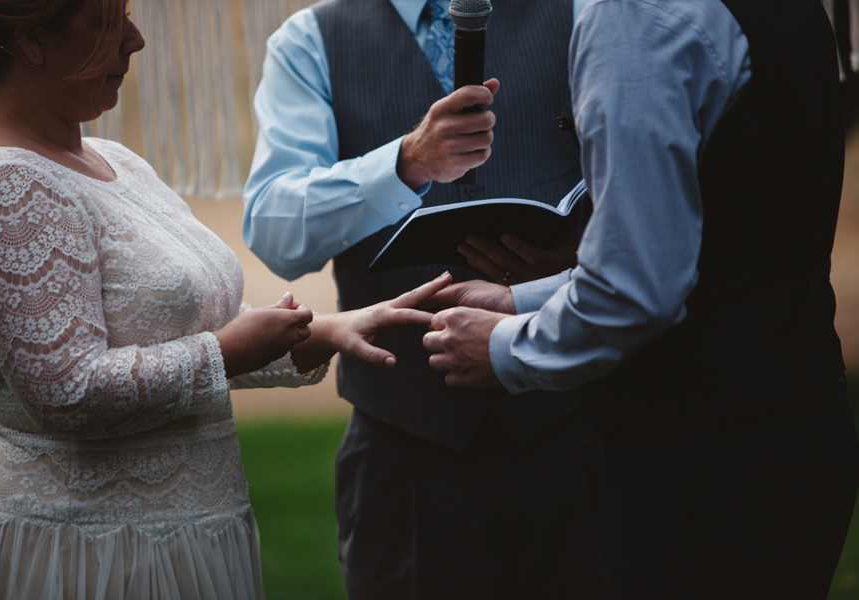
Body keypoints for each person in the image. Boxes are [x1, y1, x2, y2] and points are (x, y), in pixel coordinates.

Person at [0, 1, 446, 598]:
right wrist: (224, 353)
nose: (135, 41)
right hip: (86, 549)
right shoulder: (4, 184)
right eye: (109, 22)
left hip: (178, 536)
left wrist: (330, 329)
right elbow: (67, 391)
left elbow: (188, 329)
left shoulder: (115, 161)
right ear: (33, 39)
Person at [423, 0, 859, 596]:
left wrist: (501, 347)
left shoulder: (633, 16)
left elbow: (637, 292)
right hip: (804, 423)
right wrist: (522, 301)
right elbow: (718, 243)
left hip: (699, 467)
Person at [243, 0, 606, 597]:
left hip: (578, 427)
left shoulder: (583, 12)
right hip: (404, 444)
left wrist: (578, 254)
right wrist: (405, 162)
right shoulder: (311, 41)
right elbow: (274, 229)